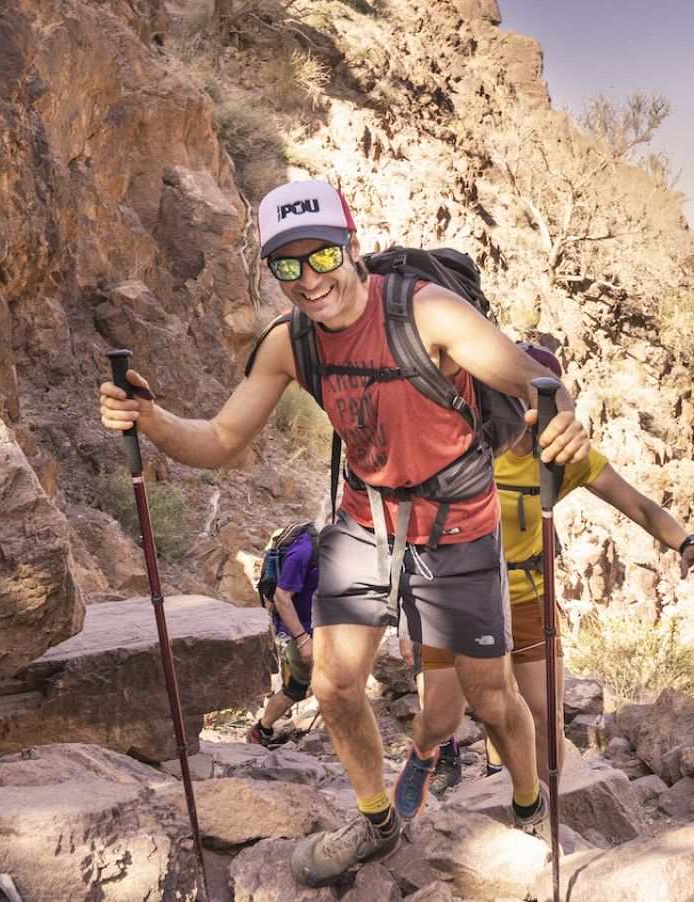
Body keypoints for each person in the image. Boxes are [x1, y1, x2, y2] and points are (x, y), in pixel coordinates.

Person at [98, 178, 589, 888]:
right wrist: (151, 420)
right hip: (367, 522)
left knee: (489, 700)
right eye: (287, 267)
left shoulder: (430, 315)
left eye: (321, 257)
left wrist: (563, 417)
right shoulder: (288, 344)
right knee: (330, 686)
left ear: (352, 248)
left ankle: (526, 803)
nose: (309, 280)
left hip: (458, 525)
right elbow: (221, 439)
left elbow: (532, 384)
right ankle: (377, 820)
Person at [396, 344, 694, 806]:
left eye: (543, 399)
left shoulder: (563, 456)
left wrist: (687, 542)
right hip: (456, 593)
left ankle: (536, 808)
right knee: (440, 717)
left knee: (544, 715)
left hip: (528, 595)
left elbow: (635, 503)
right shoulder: (459, 440)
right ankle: (423, 754)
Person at [249, 525, 320, 747]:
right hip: (298, 631)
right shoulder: (303, 553)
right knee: (295, 688)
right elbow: (282, 597)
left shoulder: (338, 548)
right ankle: (261, 730)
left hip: (322, 626)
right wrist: (302, 639)